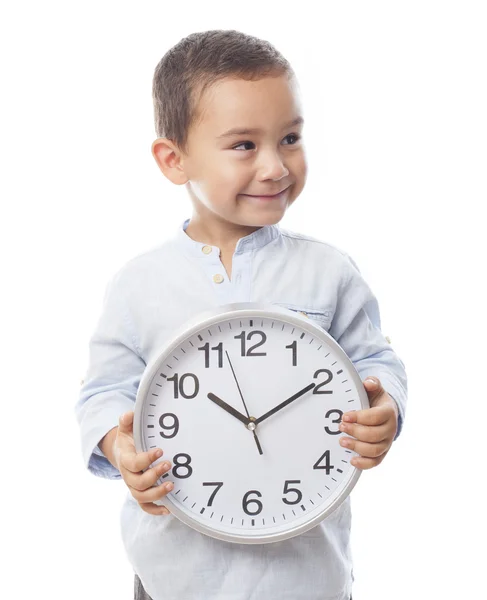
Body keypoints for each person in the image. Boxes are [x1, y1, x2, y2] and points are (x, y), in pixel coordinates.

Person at [75, 29, 407, 600]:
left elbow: (375, 359)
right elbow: (103, 392)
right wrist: (118, 446)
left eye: (290, 137)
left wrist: (386, 407)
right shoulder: (140, 284)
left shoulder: (328, 271)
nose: (277, 166)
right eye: (244, 145)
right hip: (176, 578)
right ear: (173, 159)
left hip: (309, 577)